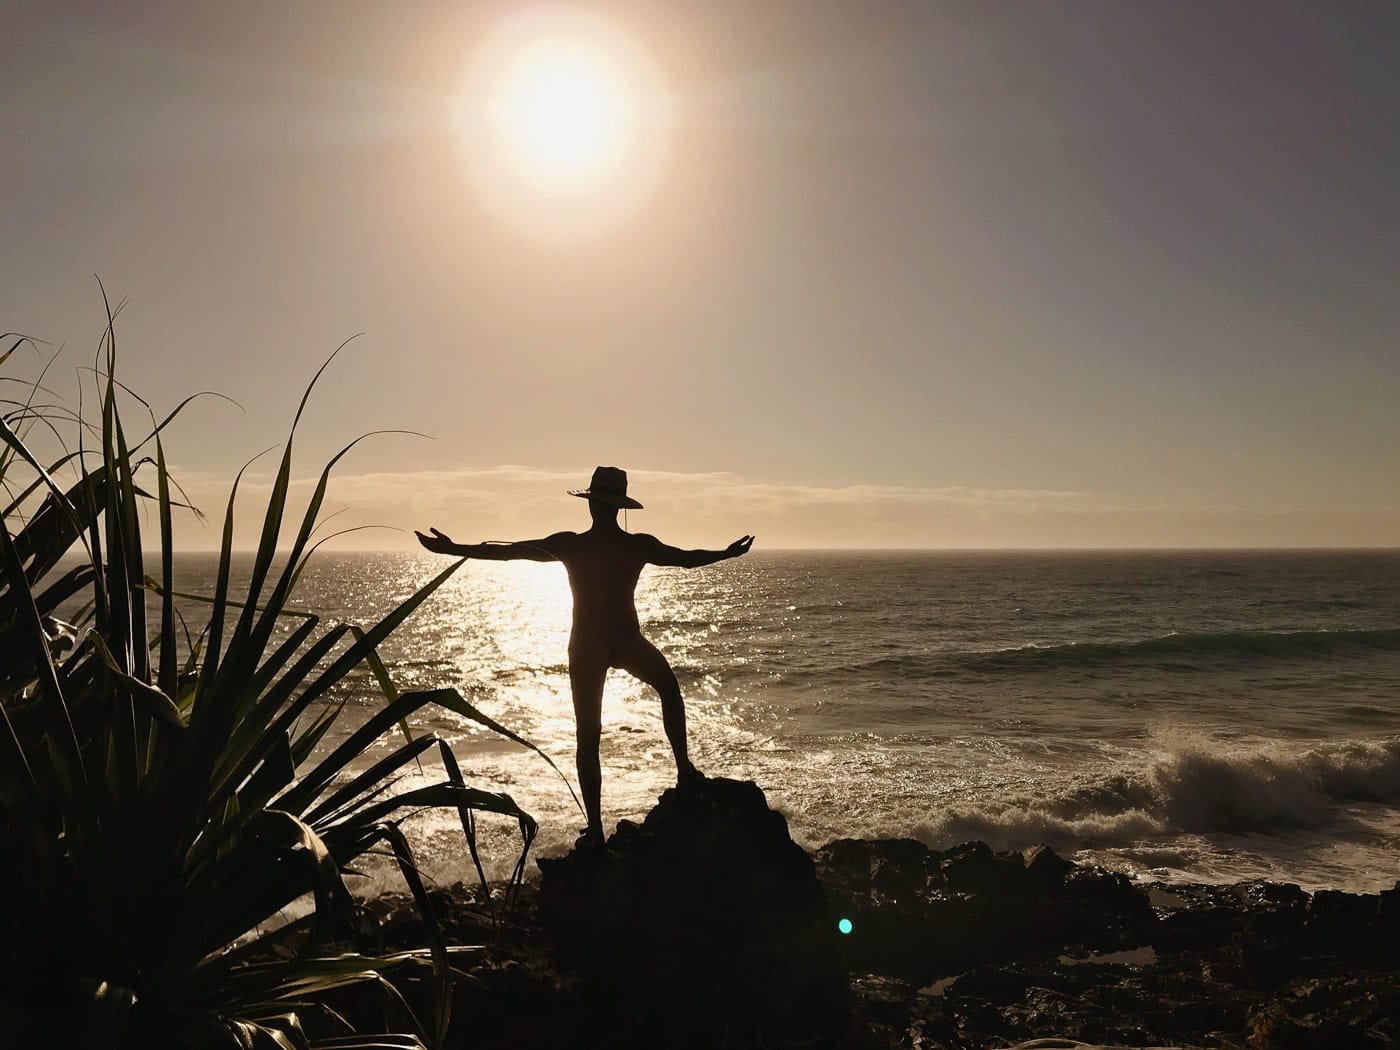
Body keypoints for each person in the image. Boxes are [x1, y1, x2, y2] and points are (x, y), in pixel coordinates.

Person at [416, 465, 754, 848]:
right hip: (623, 641)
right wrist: (726, 554)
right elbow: (686, 558)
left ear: (592, 505)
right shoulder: (635, 545)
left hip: (590, 646)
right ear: (619, 506)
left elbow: (509, 553)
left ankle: (598, 827)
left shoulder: (572, 544)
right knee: (665, 692)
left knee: (590, 735)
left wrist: (453, 548)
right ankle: (682, 774)